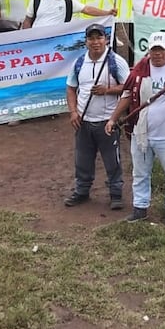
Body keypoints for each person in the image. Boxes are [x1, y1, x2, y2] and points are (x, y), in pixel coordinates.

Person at [105, 31, 165, 227]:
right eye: (154, 49)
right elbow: (127, 95)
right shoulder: (140, 70)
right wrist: (113, 118)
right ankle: (140, 208)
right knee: (140, 172)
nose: (157, 54)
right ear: (149, 50)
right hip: (141, 132)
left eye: (161, 50)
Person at [64, 23, 130, 210]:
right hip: (83, 121)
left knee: (112, 161)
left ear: (106, 39)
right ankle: (82, 191)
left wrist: (107, 90)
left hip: (108, 121)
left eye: (99, 38)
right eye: (91, 38)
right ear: (86, 42)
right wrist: (73, 112)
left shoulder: (116, 62)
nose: (95, 42)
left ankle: (116, 194)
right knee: (82, 159)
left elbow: (128, 87)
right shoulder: (78, 62)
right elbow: (71, 87)